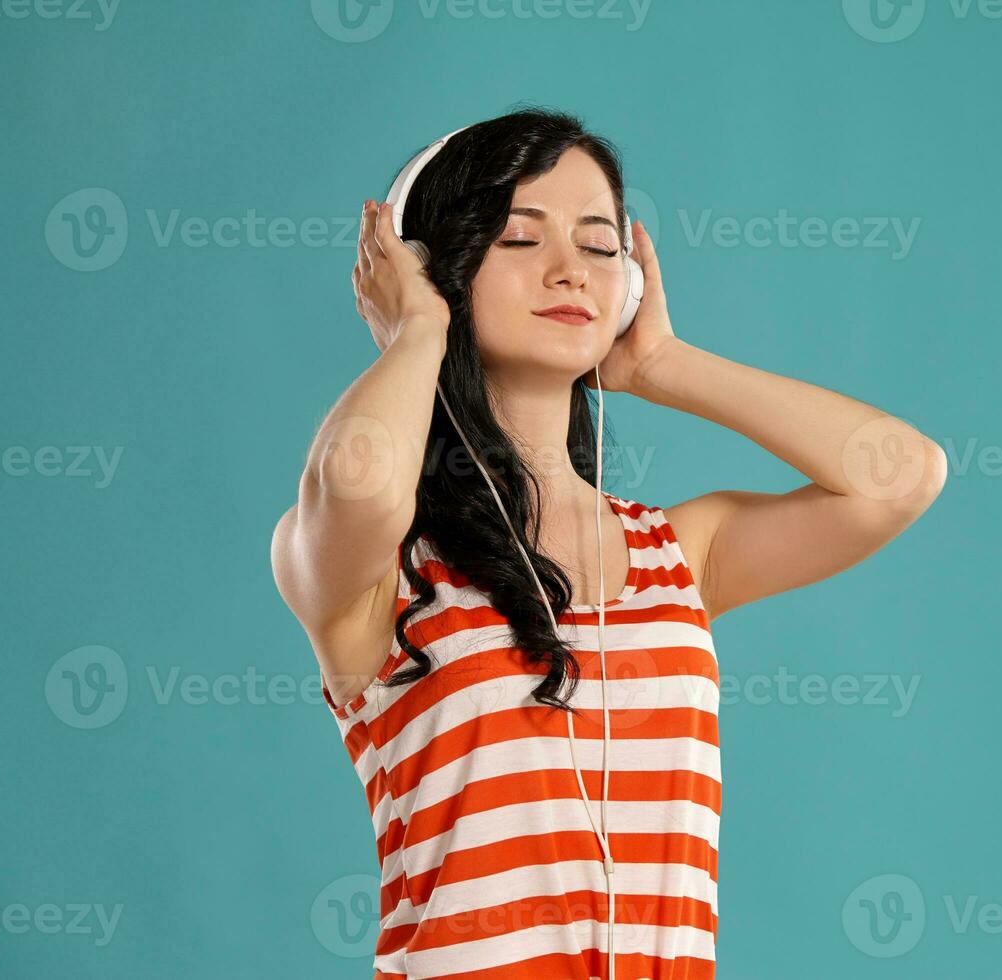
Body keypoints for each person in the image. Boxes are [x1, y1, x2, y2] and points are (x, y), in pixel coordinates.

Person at [270, 107, 948, 979]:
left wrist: (661, 364)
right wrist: (418, 333)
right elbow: (360, 477)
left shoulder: (680, 552)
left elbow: (902, 474)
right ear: (438, 270)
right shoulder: (378, 567)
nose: (569, 271)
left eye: (599, 246)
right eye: (520, 238)